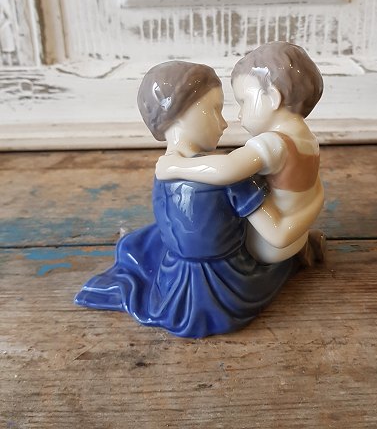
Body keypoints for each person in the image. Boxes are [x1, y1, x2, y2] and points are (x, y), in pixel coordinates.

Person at [74, 60, 300, 338]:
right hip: (226, 286)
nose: (224, 123)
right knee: (284, 260)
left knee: (144, 246)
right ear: (179, 112)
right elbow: (274, 232)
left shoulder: (162, 171)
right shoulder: (232, 178)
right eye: (215, 110)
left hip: (171, 280)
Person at [156, 42, 326, 266]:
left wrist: (175, 166)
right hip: (297, 236)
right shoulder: (309, 140)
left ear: (272, 97)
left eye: (243, 102)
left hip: (267, 246)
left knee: (239, 184)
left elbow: (227, 168)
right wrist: (317, 203)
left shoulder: (274, 143)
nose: (238, 115)